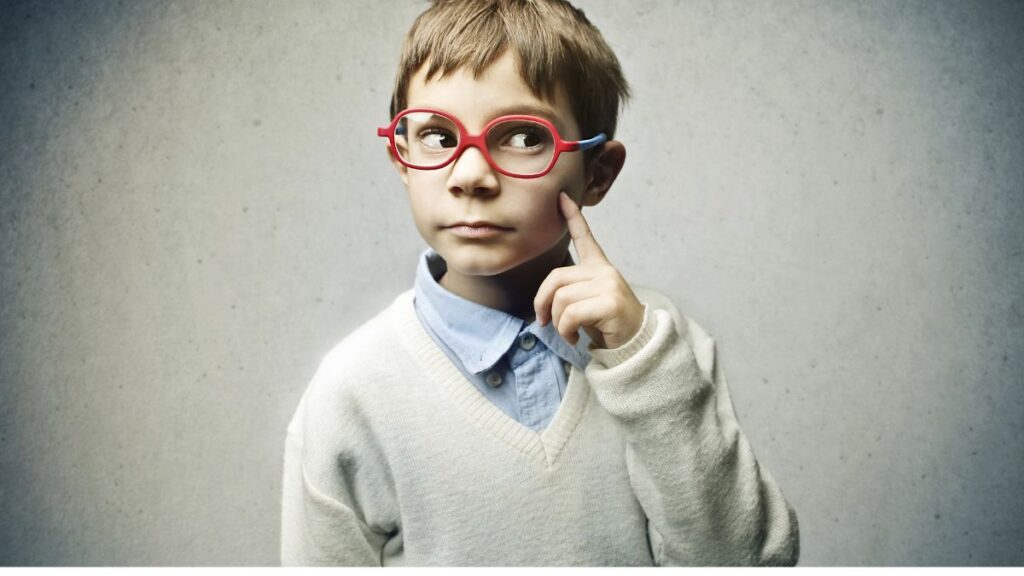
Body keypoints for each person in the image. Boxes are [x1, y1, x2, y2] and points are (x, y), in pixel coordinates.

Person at [281, 0, 799, 566]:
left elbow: (748, 561)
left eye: (524, 137)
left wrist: (639, 363)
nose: (471, 175)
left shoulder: (658, 349)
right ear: (400, 155)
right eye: (436, 135)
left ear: (596, 173)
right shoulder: (353, 388)